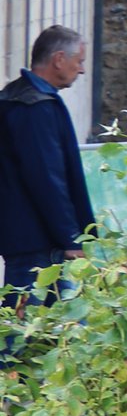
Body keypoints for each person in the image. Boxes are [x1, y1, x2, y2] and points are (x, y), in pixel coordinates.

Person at [0, 25, 94, 307]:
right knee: (19, 336)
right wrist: (71, 238)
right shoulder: (35, 107)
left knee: (50, 331)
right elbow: (47, 180)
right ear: (59, 59)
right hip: (37, 241)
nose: (82, 70)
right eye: (79, 61)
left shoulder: (17, 96)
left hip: (28, 234)